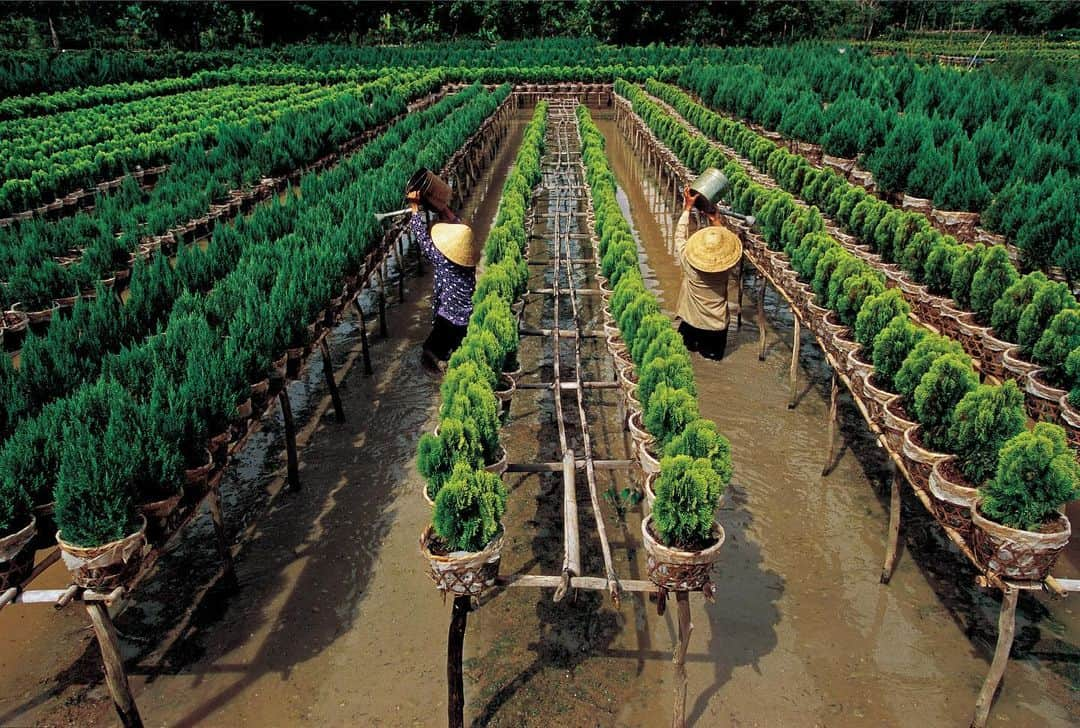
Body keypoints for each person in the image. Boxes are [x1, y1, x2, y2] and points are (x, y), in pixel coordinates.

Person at [406, 190, 481, 373]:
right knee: (458, 350)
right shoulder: (468, 261)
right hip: (466, 317)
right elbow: (458, 225)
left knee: (429, 350)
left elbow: (422, 239)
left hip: (447, 317)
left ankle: (440, 366)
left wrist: (415, 208)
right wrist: (443, 208)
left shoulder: (443, 260)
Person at [673, 187, 743, 360]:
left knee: (683, 357)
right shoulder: (726, 268)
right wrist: (715, 220)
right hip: (716, 327)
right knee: (712, 363)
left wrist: (687, 209)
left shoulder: (689, 263)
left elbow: (679, 237)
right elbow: (730, 245)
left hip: (691, 321)